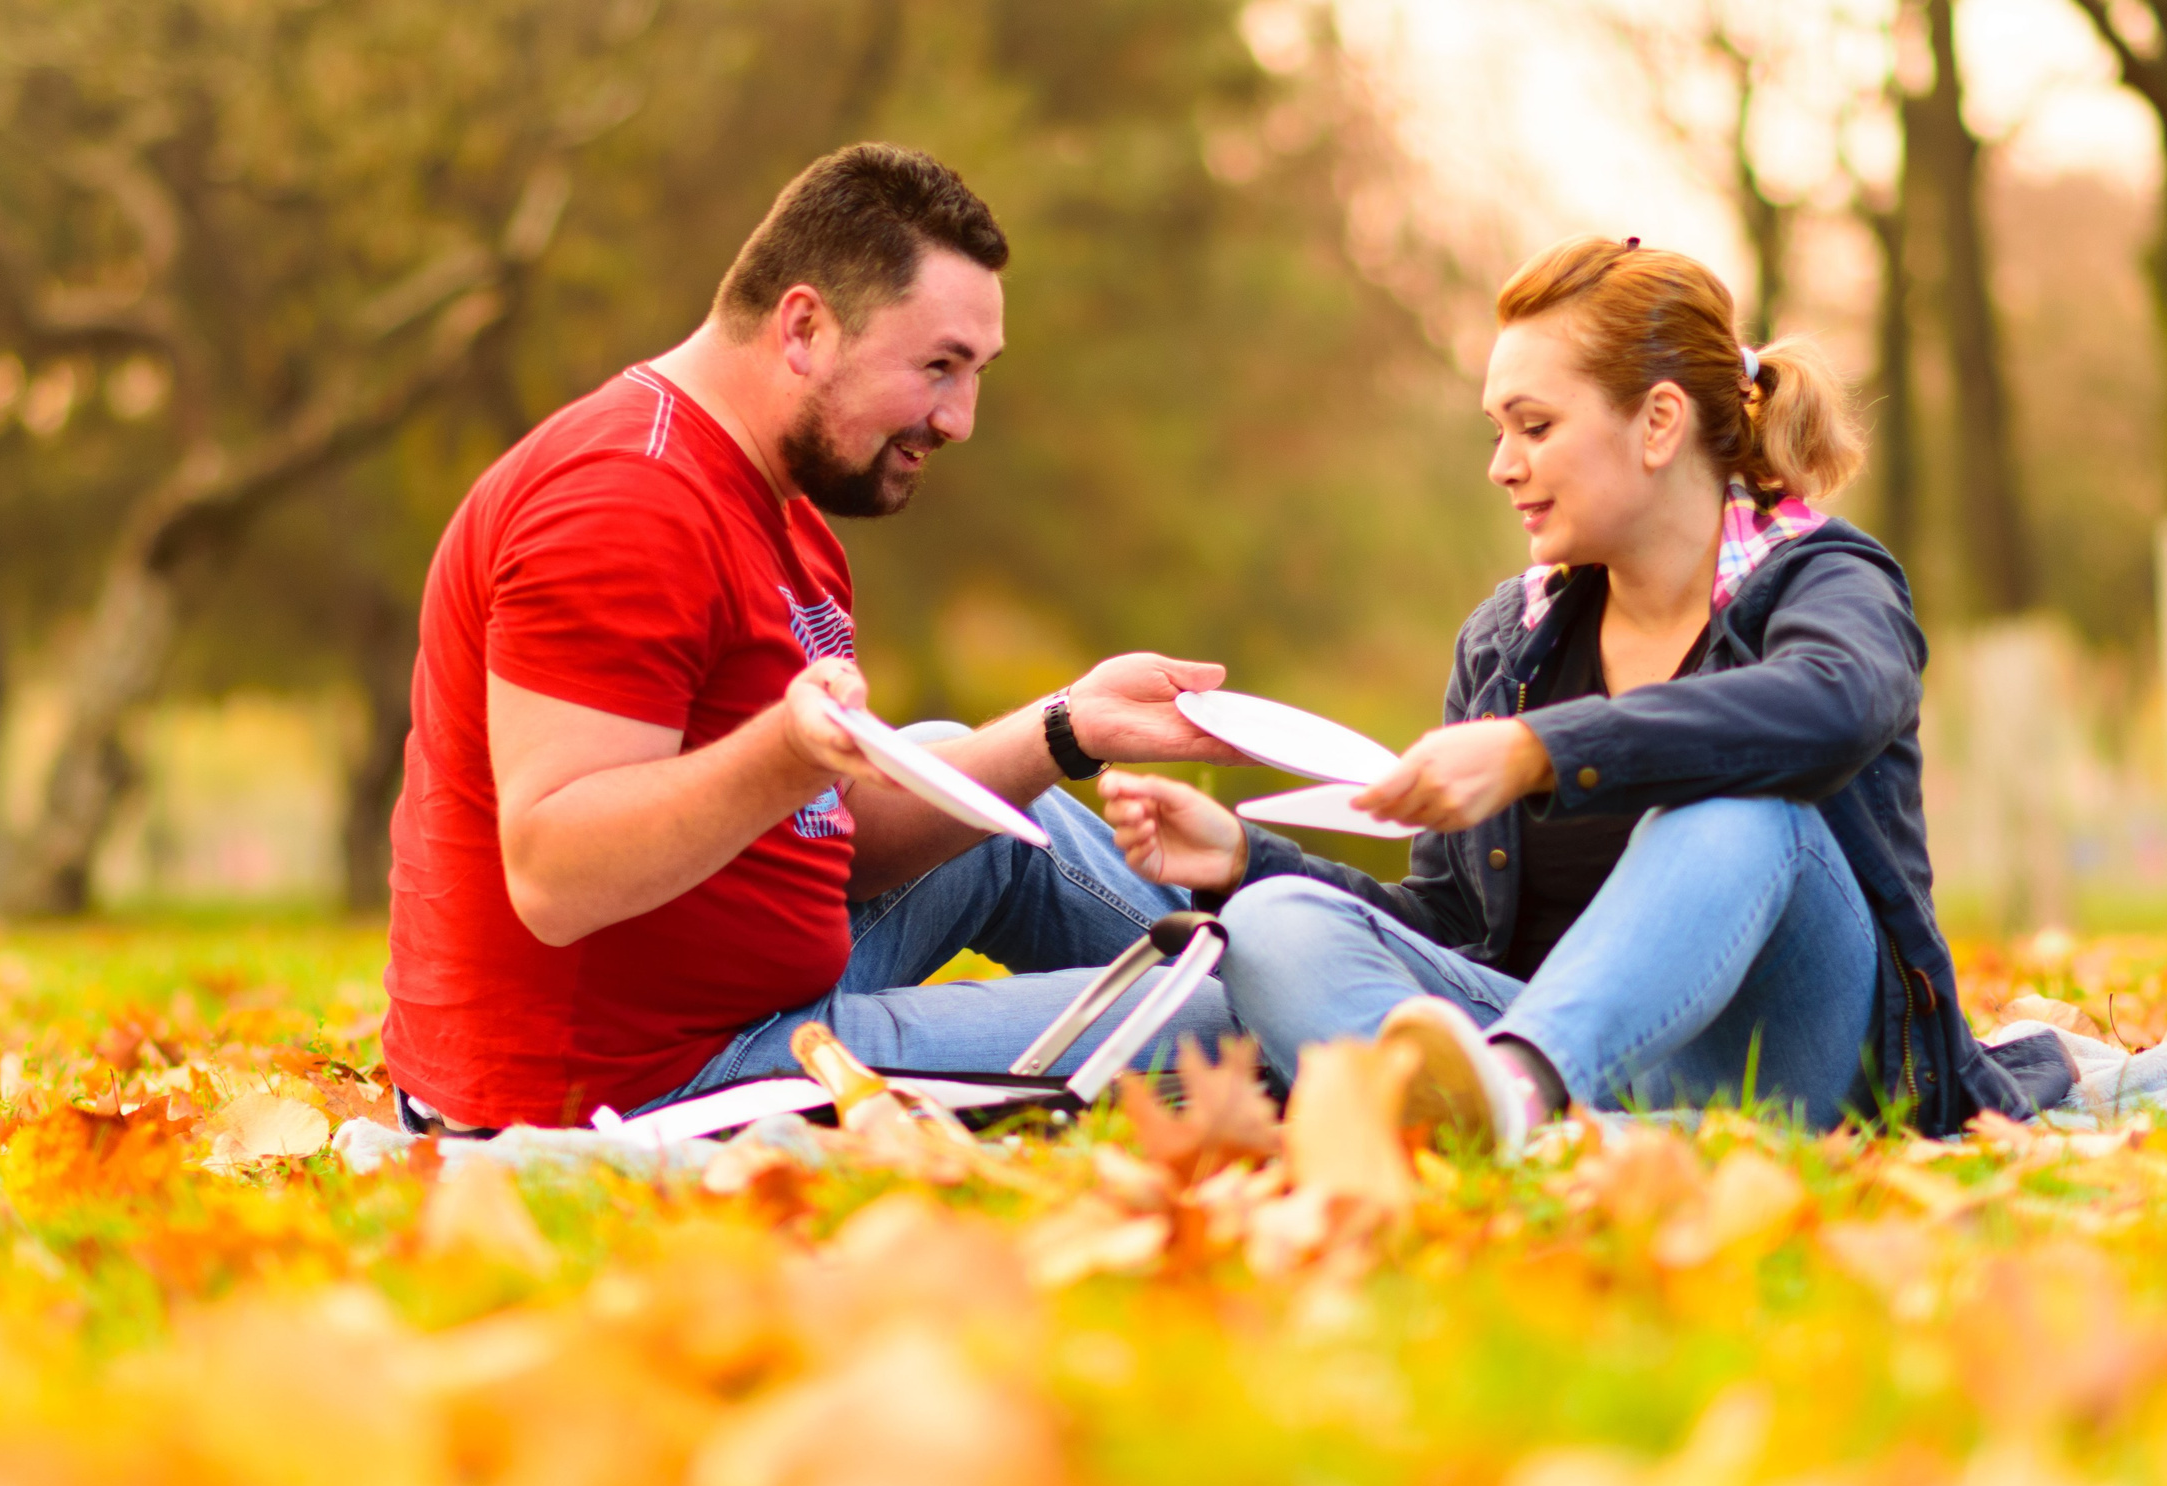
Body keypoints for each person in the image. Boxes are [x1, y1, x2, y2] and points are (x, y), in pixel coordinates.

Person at [1098, 236, 2072, 1153]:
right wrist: (1241, 857)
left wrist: (1541, 752)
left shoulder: (1823, 578)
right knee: (1274, 921)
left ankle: (1520, 1097)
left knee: (1736, 807)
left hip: (1801, 1062)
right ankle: (1509, 1129)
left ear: (1656, 423)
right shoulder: (1508, 638)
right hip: (1575, 1067)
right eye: (1497, 431)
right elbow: (1450, 926)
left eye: (1535, 426)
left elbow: (1836, 706)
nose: (1502, 464)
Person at [382, 143, 1245, 1132]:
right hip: (636, 1085)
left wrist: (1067, 728)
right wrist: (784, 754)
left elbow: (825, 841)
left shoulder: (778, 509)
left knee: (959, 782)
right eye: (937, 367)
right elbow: (553, 873)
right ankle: (1368, 1004)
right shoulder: (625, 504)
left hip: (726, 1003)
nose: (959, 419)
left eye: (974, 372)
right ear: (803, 328)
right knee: (1240, 1031)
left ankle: (1340, 953)